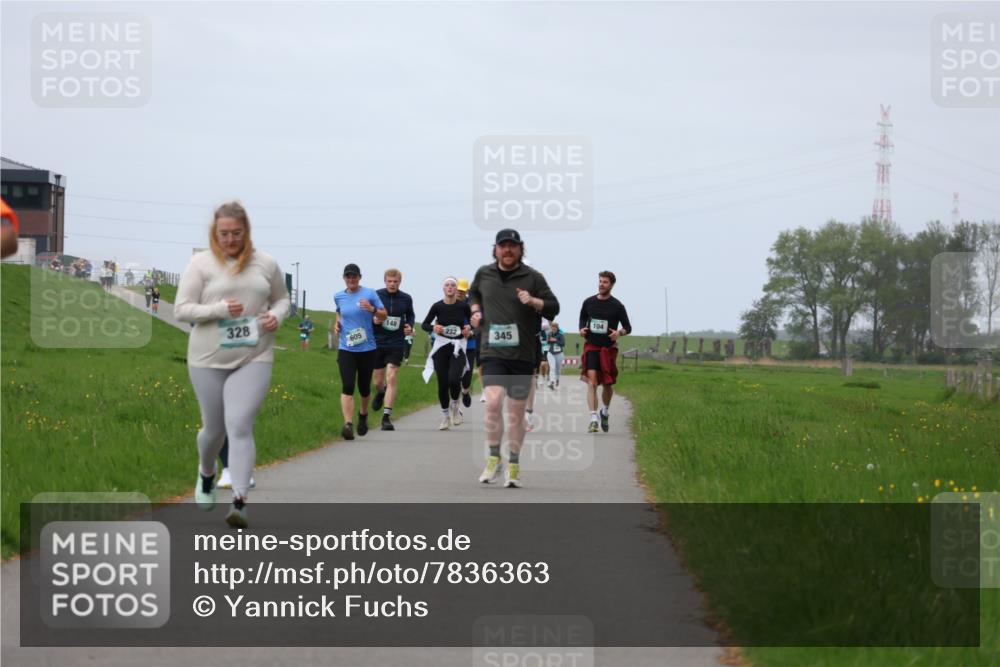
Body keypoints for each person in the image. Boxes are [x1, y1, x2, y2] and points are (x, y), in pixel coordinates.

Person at [174, 200, 289, 528]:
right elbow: (182, 308)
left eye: (236, 233)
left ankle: (240, 500)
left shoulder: (266, 263)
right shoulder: (201, 264)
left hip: (255, 354)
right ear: (215, 232)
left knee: (239, 425)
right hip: (207, 357)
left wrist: (276, 315)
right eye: (223, 233)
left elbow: (282, 298)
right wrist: (219, 310)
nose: (229, 239)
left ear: (246, 231)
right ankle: (206, 472)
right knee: (214, 429)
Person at [469, 229, 559, 488]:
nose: (507, 250)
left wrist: (533, 301)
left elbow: (554, 307)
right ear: (495, 249)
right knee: (493, 402)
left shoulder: (533, 277)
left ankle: (514, 464)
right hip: (492, 350)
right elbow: (474, 295)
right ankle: (494, 457)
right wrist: (475, 312)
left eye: (512, 246)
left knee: (516, 413)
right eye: (503, 246)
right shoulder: (483, 274)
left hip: (522, 353)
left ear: (521, 249)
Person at [334, 263, 387, 441]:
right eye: (348, 276)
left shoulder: (370, 294)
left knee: (364, 388)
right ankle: (348, 424)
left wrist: (372, 310)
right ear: (344, 278)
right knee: (348, 385)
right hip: (346, 348)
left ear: (359, 277)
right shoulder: (338, 296)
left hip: (367, 349)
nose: (351, 279)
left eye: (354, 276)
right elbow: (339, 312)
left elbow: (384, 315)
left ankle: (363, 415)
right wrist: (337, 323)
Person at [579, 270, 632, 433]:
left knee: (607, 383)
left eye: (605, 282)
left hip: (608, 349)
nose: (601, 284)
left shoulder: (617, 306)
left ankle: (605, 411)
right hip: (592, 346)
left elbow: (628, 328)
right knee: (592, 382)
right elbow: (582, 318)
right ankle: (593, 418)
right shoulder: (588, 302)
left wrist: (619, 333)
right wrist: (581, 329)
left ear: (612, 285)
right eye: (600, 281)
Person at [421, 277, 472, 430]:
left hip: (458, 347)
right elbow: (424, 324)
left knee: (454, 380)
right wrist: (433, 328)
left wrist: (468, 330)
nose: (450, 287)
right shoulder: (437, 306)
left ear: (456, 289)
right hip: (441, 347)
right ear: (443, 289)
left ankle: (455, 406)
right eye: (447, 285)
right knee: (442, 384)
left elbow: (470, 325)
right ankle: (445, 417)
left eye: (453, 285)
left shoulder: (463, 307)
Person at [372, 268, 415, 431]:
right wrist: (373, 319)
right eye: (389, 281)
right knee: (378, 381)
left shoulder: (406, 298)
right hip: (378, 342)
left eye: (395, 281)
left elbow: (410, 315)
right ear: (385, 281)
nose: (392, 284)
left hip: (396, 344)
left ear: (399, 282)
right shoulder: (376, 295)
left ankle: (386, 417)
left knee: (392, 377)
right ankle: (381, 392)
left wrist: (409, 325)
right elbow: (369, 313)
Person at [456, 277, 480, 409]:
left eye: (462, 291)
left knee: (467, 378)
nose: (459, 293)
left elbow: (478, 325)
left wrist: (471, 333)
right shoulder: (448, 304)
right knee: (454, 376)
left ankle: (465, 391)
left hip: (469, 345)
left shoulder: (472, 307)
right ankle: (454, 405)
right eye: (458, 290)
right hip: (453, 345)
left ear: (467, 291)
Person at [546, 321, 566, 389]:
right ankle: (552, 382)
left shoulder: (560, 335)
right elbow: (548, 342)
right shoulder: (549, 334)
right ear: (551, 328)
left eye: (555, 327)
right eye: (552, 327)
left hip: (559, 354)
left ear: (557, 328)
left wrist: (555, 340)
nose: (553, 328)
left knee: (557, 369)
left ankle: (557, 381)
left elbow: (563, 344)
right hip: (551, 353)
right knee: (552, 368)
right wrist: (550, 340)